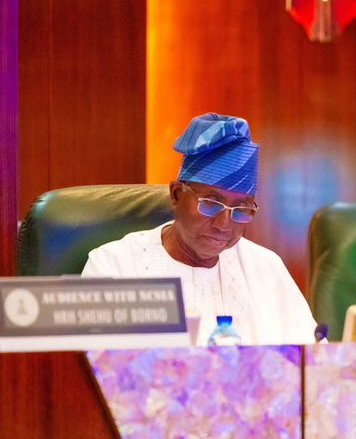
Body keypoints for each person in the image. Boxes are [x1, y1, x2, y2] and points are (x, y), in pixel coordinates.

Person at [82, 113, 317, 344]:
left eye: (241, 210)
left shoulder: (265, 268)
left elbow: (310, 361)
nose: (224, 225)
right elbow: (93, 371)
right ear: (176, 195)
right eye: (211, 205)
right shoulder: (114, 266)